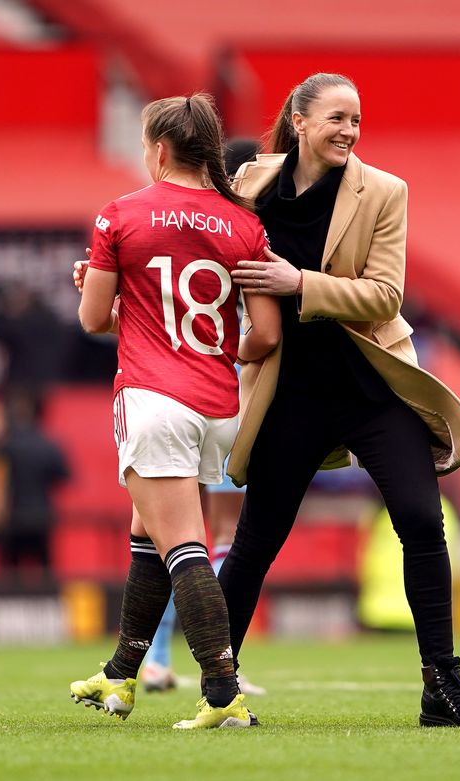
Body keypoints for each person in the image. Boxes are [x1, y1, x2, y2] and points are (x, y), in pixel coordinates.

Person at [217, 72, 460, 728]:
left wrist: (300, 282)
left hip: (375, 390)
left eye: (357, 120)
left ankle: (442, 684)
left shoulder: (387, 192)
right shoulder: (248, 188)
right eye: (337, 117)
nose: (348, 130)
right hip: (291, 394)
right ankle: (217, 682)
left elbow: (384, 296)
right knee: (258, 538)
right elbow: (198, 260)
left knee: (423, 523)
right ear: (300, 119)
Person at [68, 94, 281, 730]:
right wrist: (209, 343)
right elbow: (265, 337)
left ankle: (224, 695)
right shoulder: (244, 223)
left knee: (184, 546)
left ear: (159, 149)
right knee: (147, 532)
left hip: (155, 397)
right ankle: (121, 674)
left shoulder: (121, 216)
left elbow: (93, 320)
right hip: (219, 404)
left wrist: (113, 301)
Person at [141, 137, 266, 697]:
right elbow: (263, 331)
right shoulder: (242, 228)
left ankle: (158, 660)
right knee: (204, 534)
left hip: (174, 391)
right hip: (226, 391)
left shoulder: (186, 225)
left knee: (177, 533)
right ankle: (209, 664)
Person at [0, 390, 71, 578]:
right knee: (45, 574)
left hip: (15, 518)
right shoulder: (49, 445)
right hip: (41, 517)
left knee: (10, 575)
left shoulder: (10, 443)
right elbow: (65, 476)